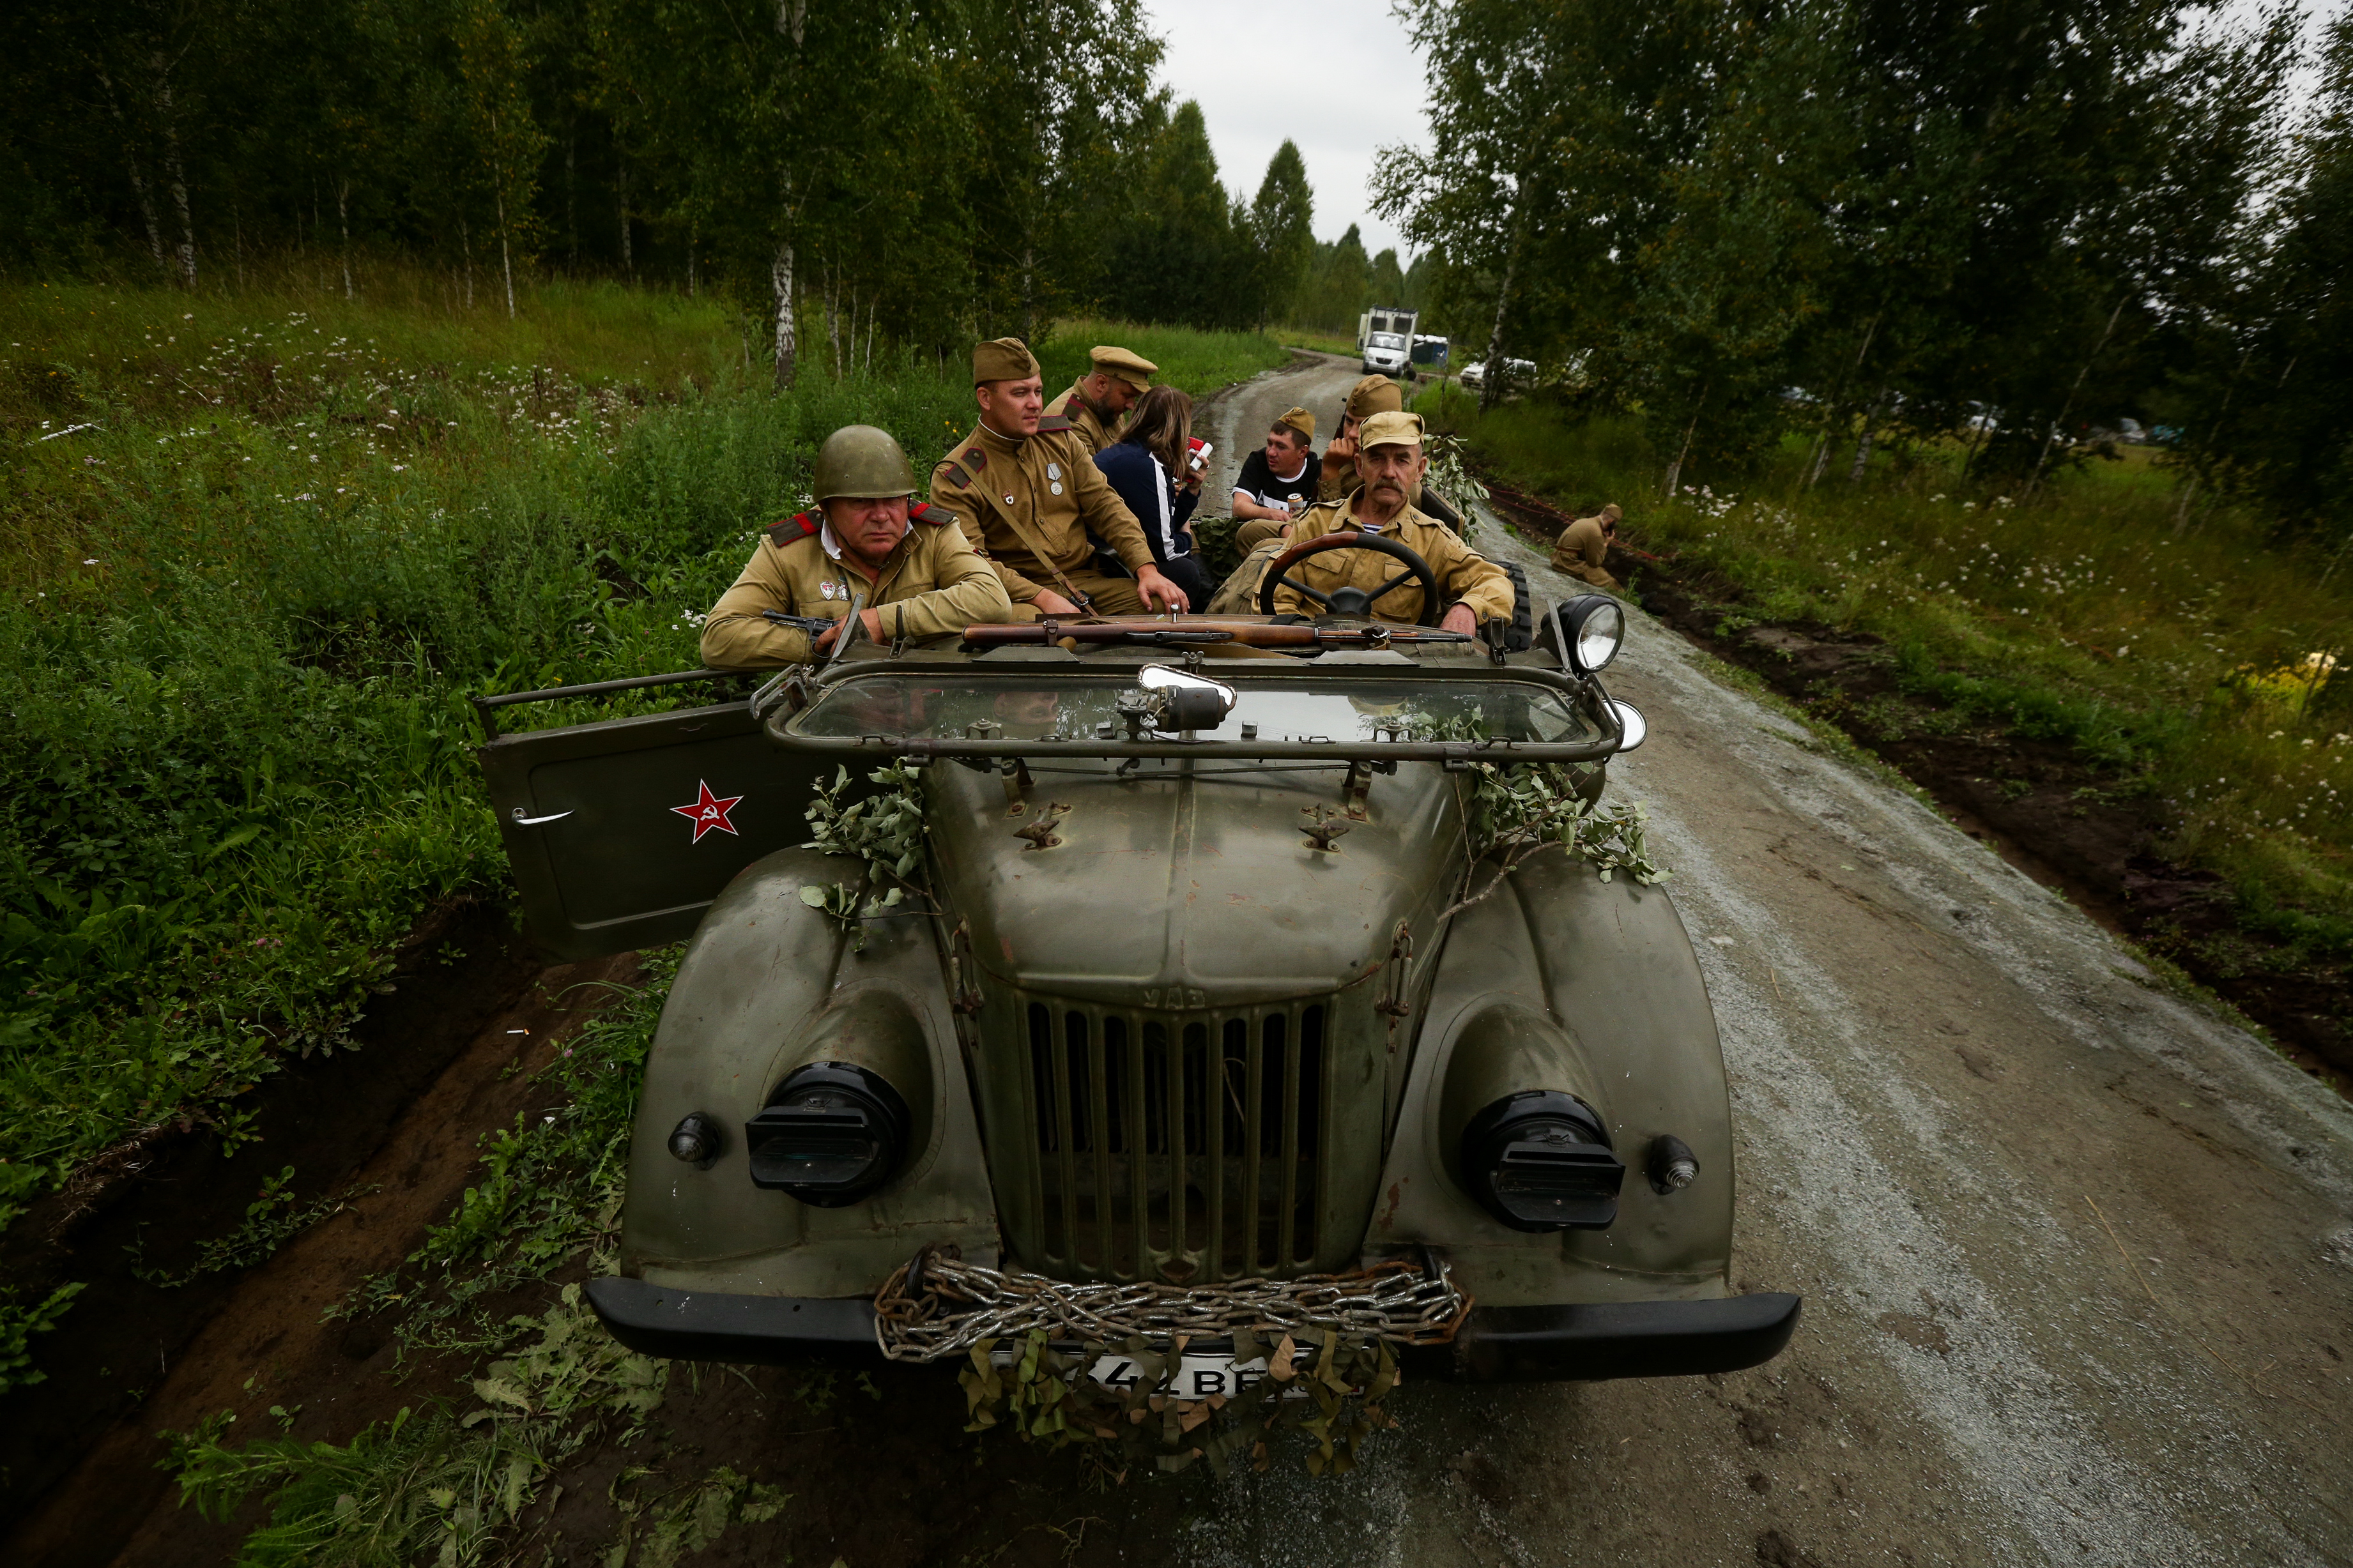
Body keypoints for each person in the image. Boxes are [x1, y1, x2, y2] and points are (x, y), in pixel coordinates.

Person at [700, 425, 1013, 668]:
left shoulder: (934, 534)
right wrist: (823, 644)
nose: (881, 516)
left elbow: (992, 598)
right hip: (832, 709)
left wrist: (882, 623)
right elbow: (719, 637)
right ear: (827, 507)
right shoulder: (789, 551)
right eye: (861, 502)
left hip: (927, 702)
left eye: (894, 500)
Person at [931, 337, 1190, 618]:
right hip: (1018, 593)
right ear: (985, 398)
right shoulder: (957, 475)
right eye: (1020, 393)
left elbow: (1106, 505)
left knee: (1164, 606)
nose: (1035, 404)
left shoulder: (1060, 440)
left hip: (1083, 578)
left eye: (1038, 391)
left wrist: (1146, 569)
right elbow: (972, 561)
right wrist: (1041, 596)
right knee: (1046, 633)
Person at [1264, 411, 1511, 634]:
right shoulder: (1316, 522)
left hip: (1393, 663)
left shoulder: (1434, 541)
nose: (1390, 472)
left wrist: (1468, 609)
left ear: (1420, 469)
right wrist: (1301, 639)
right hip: (1308, 655)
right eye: (1377, 459)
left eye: (1402, 460)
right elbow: (1276, 598)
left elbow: (1495, 582)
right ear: (1360, 466)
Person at [1092, 385, 1216, 609]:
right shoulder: (1148, 466)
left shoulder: (1124, 451)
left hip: (1104, 549)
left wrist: (1192, 490)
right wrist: (1186, 535)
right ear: (1178, 428)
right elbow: (1165, 550)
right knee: (1186, 572)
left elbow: (1164, 526)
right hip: (1108, 559)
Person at [1317, 374, 1462, 528]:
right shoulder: (1349, 458)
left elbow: (1331, 528)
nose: (1352, 433)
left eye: (1364, 425)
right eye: (1349, 421)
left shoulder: (1387, 481)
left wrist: (1330, 470)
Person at [1230, 407, 1320, 553]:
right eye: (1270, 443)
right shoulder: (1258, 461)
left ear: (1302, 452)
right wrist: (1270, 514)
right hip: (1256, 543)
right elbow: (1239, 507)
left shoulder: (1318, 473)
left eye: (1281, 447)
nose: (1271, 452)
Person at [1044, 345, 1158, 453]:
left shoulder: (1108, 408)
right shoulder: (1071, 422)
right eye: (1127, 396)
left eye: (1135, 398)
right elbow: (1091, 468)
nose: (1131, 406)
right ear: (1101, 383)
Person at [1550, 503, 1623, 588]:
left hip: (1557, 558)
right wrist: (1606, 543)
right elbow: (1595, 563)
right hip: (1568, 564)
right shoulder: (1596, 532)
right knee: (1610, 582)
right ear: (1611, 522)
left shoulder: (1584, 521)